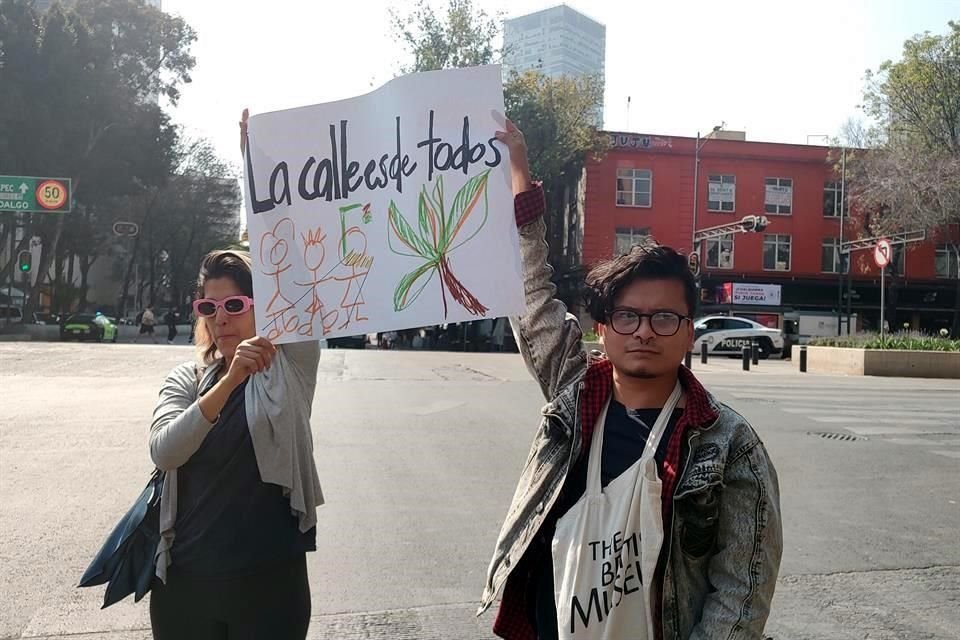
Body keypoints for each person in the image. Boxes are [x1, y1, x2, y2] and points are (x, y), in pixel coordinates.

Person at [477, 120, 782, 640]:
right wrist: (520, 180)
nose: (644, 331)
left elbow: (741, 590)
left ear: (690, 333)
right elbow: (531, 302)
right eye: (627, 316)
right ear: (603, 327)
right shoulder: (576, 397)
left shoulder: (729, 444)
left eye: (665, 318)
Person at [146, 112, 323, 640]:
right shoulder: (186, 378)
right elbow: (164, 451)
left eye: (235, 303)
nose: (220, 316)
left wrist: (256, 168)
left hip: (271, 582)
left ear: (261, 306)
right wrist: (226, 381)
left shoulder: (288, 365)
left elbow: (286, 265)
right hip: (185, 585)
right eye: (209, 306)